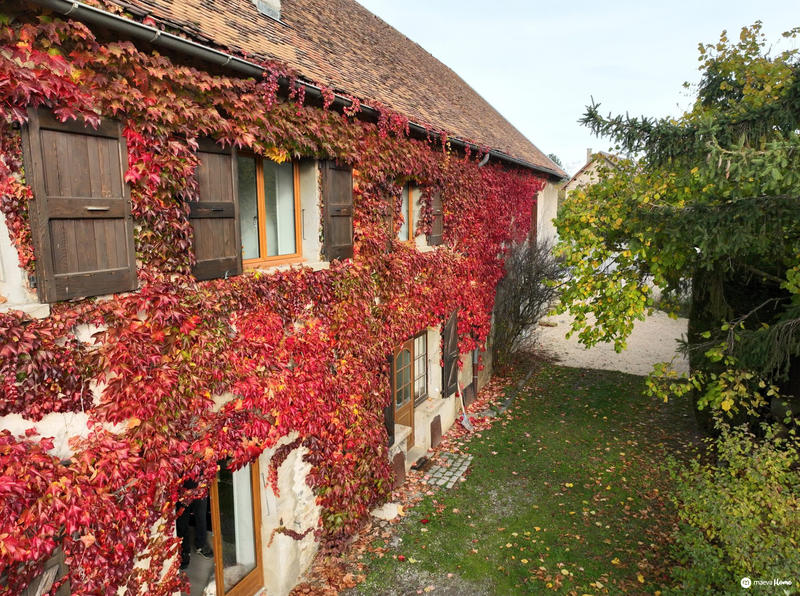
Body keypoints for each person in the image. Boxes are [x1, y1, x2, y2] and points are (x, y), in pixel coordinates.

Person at [176, 482, 213, 569]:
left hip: (200, 484)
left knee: (201, 516)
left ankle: (201, 544)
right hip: (182, 485)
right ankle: (184, 550)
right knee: (182, 519)